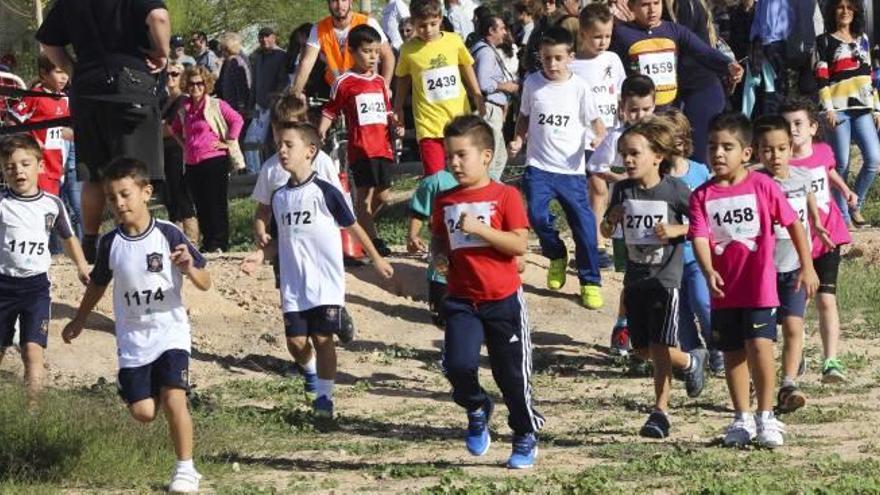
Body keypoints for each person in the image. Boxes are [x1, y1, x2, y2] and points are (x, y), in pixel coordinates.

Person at [62, 158, 211, 494]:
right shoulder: (109, 243)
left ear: (146, 192)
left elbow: (205, 282)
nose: (119, 203)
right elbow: (98, 284)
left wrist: (189, 268)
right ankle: (145, 388)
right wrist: (79, 319)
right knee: (144, 413)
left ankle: (186, 469)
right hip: (132, 338)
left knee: (175, 398)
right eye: (111, 197)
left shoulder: (169, 233)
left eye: (125, 194)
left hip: (170, 332)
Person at [242, 122, 393, 418]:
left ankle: (324, 398)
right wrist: (260, 256)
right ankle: (309, 372)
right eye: (279, 146)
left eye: (289, 145)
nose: (281, 151)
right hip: (293, 285)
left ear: (310, 151)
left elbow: (353, 226)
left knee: (323, 338)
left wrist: (376, 258)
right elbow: (280, 240)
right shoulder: (280, 197)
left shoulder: (326, 191)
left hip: (325, 283)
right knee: (296, 343)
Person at [688, 112, 818, 448]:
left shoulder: (764, 186)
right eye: (712, 146)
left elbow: (793, 225)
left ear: (746, 153)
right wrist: (707, 269)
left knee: (760, 348)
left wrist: (807, 266)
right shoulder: (702, 196)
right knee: (732, 353)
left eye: (727, 147)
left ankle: (766, 416)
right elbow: (699, 236)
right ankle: (741, 418)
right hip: (723, 291)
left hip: (759, 287)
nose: (718, 154)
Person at [431, 114, 543, 469]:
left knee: (511, 375)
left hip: (503, 300)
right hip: (462, 299)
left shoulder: (505, 195)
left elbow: (519, 245)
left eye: (462, 155)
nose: (454, 163)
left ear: (486, 156)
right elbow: (440, 238)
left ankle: (524, 433)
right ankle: (477, 406)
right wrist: (438, 257)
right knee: (458, 365)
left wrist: (481, 231)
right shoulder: (444, 200)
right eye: (450, 155)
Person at [36, 0, 171, 264]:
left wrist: (75, 70)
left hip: (87, 91)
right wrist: (163, 52)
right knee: (134, 170)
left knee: (94, 172)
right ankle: (138, 237)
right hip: (130, 86)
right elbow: (159, 18)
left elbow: (48, 42)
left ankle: (90, 240)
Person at [600, 118, 707, 439]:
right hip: (635, 281)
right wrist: (610, 220)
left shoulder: (675, 191)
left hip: (666, 281)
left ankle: (660, 413)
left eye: (634, 153)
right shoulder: (622, 189)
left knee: (660, 348)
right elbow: (606, 230)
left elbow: (703, 224)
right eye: (623, 154)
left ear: (657, 157)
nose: (627, 160)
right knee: (642, 349)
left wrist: (678, 230)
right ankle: (690, 362)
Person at [509, 27, 605, 309]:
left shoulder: (580, 88)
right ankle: (556, 254)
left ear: (570, 57)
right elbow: (524, 117)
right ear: (540, 56)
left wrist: (598, 137)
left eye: (558, 58)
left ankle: (590, 282)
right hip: (538, 166)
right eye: (547, 58)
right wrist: (517, 138)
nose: (552, 64)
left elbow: (597, 123)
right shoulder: (532, 83)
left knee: (585, 227)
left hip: (571, 171)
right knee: (537, 218)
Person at [0, 134, 89, 406]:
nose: (18, 171)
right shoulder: (2, 203)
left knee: (32, 349)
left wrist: (82, 266)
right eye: (10, 166)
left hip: (36, 288)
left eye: (25, 164)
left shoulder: (52, 204)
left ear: (40, 166)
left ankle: (33, 410)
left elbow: (68, 237)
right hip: (3, 286)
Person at [753, 114, 831, 413]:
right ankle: (761, 380)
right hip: (763, 270)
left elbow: (809, 207)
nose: (775, 156)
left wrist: (817, 225)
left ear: (790, 147)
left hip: (796, 267)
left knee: (794, 326)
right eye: (767, 150)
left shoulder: (802, 177)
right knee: (763, 334)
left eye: (781, 149)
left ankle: (788, 384)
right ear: (757, 151)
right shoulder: (755, 182)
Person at [782, 97, 855, 383]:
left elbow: (830, 173)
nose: (793, 130)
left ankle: (830, 360)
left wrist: (846, 191)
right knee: (794, 308)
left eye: (798, 124)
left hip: (827, 236)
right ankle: (795, 355)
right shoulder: (780, 162)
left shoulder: (824, 151)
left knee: (826, 300)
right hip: (794, 243)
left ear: (813, 127)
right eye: (787, 125)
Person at [589, 75, 657, 354]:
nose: (639, 116)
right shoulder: (616, 137)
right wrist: (624, 176)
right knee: (632, 278)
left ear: (655, 106)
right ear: (622, 108)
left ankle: (657, 331)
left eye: (646, 109)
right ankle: (624, 325)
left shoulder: (660, 136)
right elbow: (596, 167)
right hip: (624, 223)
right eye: (633, 110)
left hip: (657, 219)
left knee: (658, 278)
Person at [319, 25, 400, 257]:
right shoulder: (344, 82)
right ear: (352, 51)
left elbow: (386, 112)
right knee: (364, 197)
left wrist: (395, 121)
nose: (373, 57)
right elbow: (330, 110)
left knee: (384, 194)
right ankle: (371, 240)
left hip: (383, 147)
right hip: (361, 148)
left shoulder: (379, 83)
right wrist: (321, 132)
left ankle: (358, 225)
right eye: (366, 51)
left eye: (376, 52)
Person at [659, 109, 721, 374]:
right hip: (667, 260)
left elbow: (710, 218)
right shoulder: (656, 178)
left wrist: (679, 229)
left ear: (683, 141)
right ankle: (695, 355)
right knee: (679, 313)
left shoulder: (699, 172)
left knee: (702, 301)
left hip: (697, 255)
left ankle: (719, 347)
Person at [393, 0, 485, 176]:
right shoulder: (408, 50)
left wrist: (477, 94)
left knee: (464, 173)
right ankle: (439, 203)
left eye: (433, 24)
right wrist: (398, 107)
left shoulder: (454, 41)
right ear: (413, 23)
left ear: (440, 19)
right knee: (436, 177)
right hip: (428, 126)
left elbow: (466, 66)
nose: (428, 30)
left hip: (459, 122)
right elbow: (403, 78)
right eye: (422, 26)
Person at [815, 0, 880, 228]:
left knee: (873, 159)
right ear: (833, 11)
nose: (845, 11)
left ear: (855, 11)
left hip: (863, 108)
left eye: (849, 7)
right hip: (838, 110)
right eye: (840, 7)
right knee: (841, 164)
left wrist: (877, 106)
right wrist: (828, 109)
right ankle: (841, 218)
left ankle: (855, 205)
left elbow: (869, 75)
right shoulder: (823, 41)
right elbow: (821, 77)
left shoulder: (863, 39)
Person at [571, 3, 626, 269]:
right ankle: (592, 243)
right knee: (594, 187)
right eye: (597, 36)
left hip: (611, 136)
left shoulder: (613, 60)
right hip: (582, 138)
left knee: (601, 189)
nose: (603, 42)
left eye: (607, 36)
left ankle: (596, 242)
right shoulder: (571, 64)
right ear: (582, 33)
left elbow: (619, 94)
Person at [609, 0, 742, 108]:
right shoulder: (621, 34)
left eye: (656, 3)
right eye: (645, 5)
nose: (652, 10)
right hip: (641, 113)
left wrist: (728, 64)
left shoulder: (674, 31)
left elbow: (703, 51)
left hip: (671, 110)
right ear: (631, 6)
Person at [170, 66, 244, 253]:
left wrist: (228, 141)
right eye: (192, 83)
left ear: (206, 84)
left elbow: (237, 120)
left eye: (200, 83)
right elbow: (174, 129)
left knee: (216, 202)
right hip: (193, 162)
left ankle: (220, 242)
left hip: (214, 159)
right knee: (200, 203)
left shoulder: (216, 104)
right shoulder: (184, 109)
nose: (196, 87)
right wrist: (184, 145)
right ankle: (208, 241)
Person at [290, 0, 395, 99]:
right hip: (336, 89)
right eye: (335, 1)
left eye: (344, 0)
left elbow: (388, 56)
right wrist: (294, 95)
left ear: (351, 2)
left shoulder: (367, 22)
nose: (340, 5)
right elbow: (306, 63)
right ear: (329, 3)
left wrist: (385, 86)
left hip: (366, 89)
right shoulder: (318, 28)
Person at [9, 53, 71, 197]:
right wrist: (29, 141)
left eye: (66, 72)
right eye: (59, 72)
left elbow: (62, 131)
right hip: (38, 167)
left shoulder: (65, 99)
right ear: (44, 73)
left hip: (57, 167)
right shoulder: (35, 96)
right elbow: (11, 121)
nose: (64, 77)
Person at [408, 168, 458, 328]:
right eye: (451, 155)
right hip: (442, 272)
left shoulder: (490, 184)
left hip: (476, 271)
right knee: (442, 320)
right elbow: (419, 210)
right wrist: (412, 235)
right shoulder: (438, 181)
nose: (456, 162)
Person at [472, 15, 519, 180]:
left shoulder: (482, 49)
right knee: (494, 158)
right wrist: (506, 86)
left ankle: (492, 190)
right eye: (502, 28)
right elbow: (484, 83)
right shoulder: (486, 53)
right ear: (491, 31)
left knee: (499, 157)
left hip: (491, 108)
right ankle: (488, 193)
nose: (505, 32)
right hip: (490, 108)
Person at [159, 61, 198, 242]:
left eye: (174, 74)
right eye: (167, 74)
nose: (170, 77)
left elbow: (172, 129)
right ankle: (176, 239)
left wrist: (155, 130)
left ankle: (191, 239)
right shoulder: (165, 100)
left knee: (182, 196)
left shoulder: (183, 100)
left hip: (178, 152)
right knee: (170, 196)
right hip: (163, 153)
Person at [244, 27, 289, 175]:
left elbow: (284, 82)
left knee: (273, 142)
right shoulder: (258, 57)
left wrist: (276, 100)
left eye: (267, 36)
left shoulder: (281, 56)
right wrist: (251, 106)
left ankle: (276, 174)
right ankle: (255, 175)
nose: (264, 40)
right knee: (251, 142)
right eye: (261, 37)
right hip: (259, 107)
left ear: (274, 37)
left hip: (275, 106)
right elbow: (254, 85)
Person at [216, 31, 252, 119]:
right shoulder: (228, 61)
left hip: (237, 108)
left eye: (222, 47)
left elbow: (241, 87)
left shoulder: (236, 62)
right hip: (230, 105)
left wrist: (241, 107)